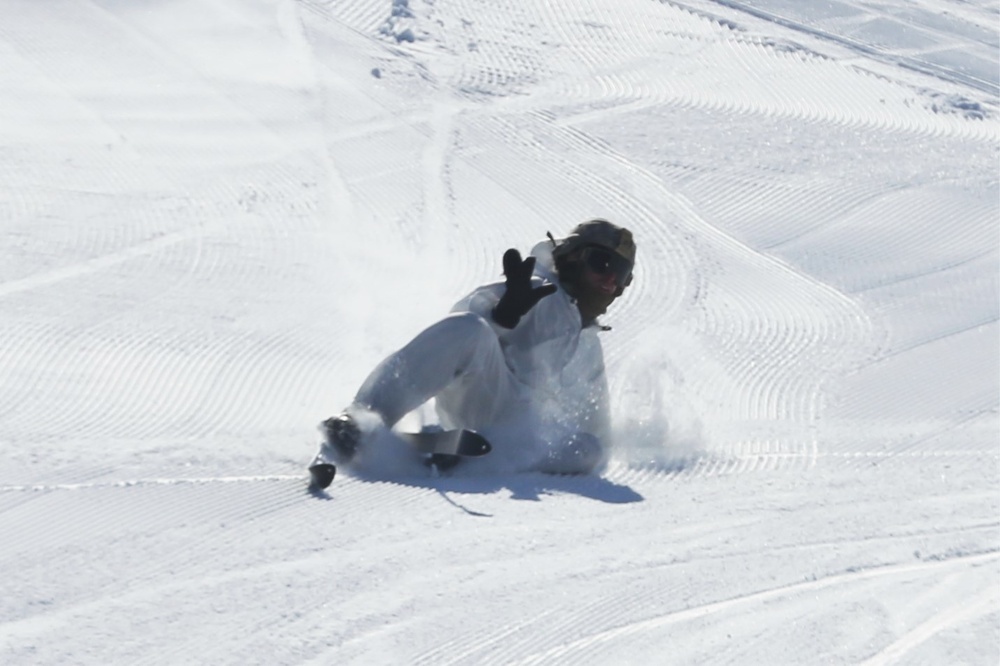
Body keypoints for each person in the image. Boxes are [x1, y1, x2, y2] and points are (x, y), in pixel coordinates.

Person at [308, 218, 637, 489]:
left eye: (620, 273)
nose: (610, 279)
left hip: (518, 437)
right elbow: (455, 334)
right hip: (484, 396)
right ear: (574, 257)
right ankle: (357, 425)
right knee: (469, 327)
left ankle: (469, 456)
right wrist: (503, 315)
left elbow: (597, 428)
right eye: (602, 263)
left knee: (589, 449)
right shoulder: (538, 289)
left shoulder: (589, 345)